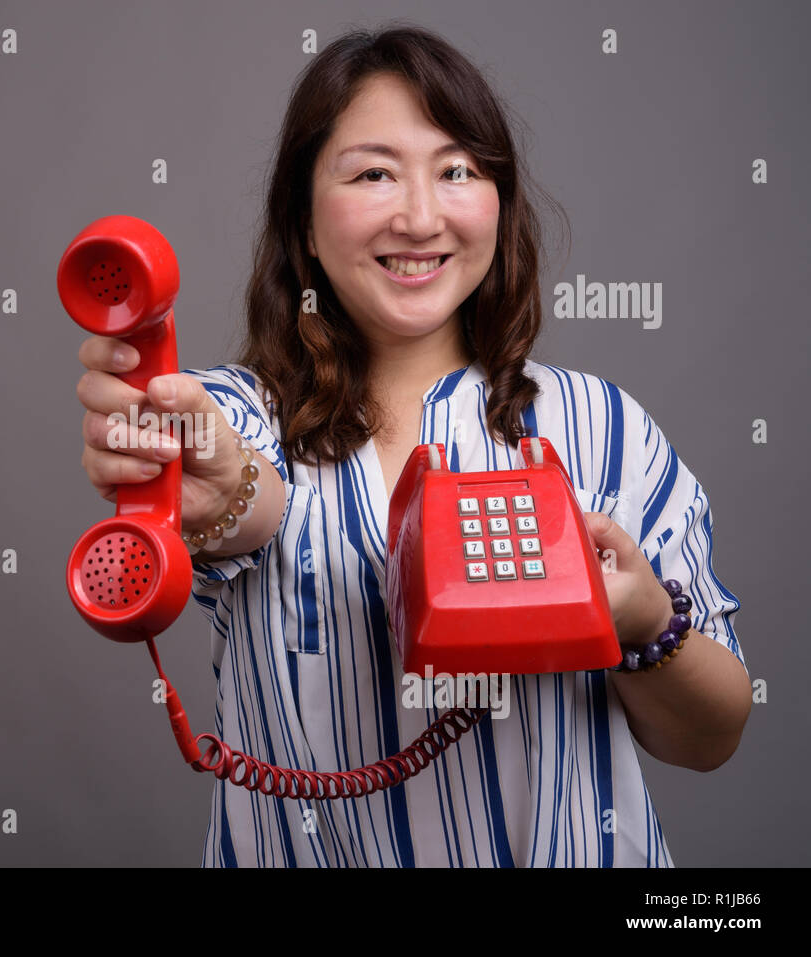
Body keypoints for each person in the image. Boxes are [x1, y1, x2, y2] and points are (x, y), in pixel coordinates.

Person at [73, 24, 751, 867]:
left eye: (458, 170)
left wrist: (646, 622)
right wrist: (223, 491)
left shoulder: (604, 428)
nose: (421, 215)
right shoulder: (240, 412)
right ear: (306, 224)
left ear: (498, 206)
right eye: (373, 173)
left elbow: (712, 735)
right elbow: (248, 487)